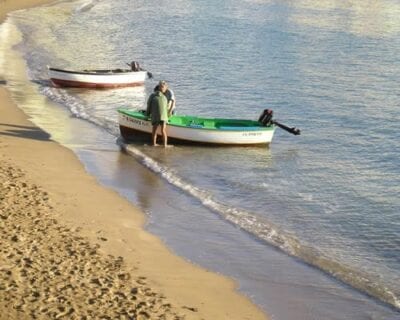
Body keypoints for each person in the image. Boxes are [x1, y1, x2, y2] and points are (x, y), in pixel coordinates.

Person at [146, 80, 169, 147]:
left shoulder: (152, 96)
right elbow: (166, 109)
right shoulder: (165, 98)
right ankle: (165, 145)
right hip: (164, 117)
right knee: (163, 130)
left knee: (154, 130)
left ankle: (154, 144)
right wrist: (168, 116)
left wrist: (147, 114)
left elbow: (149, 105)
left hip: (156, 116)